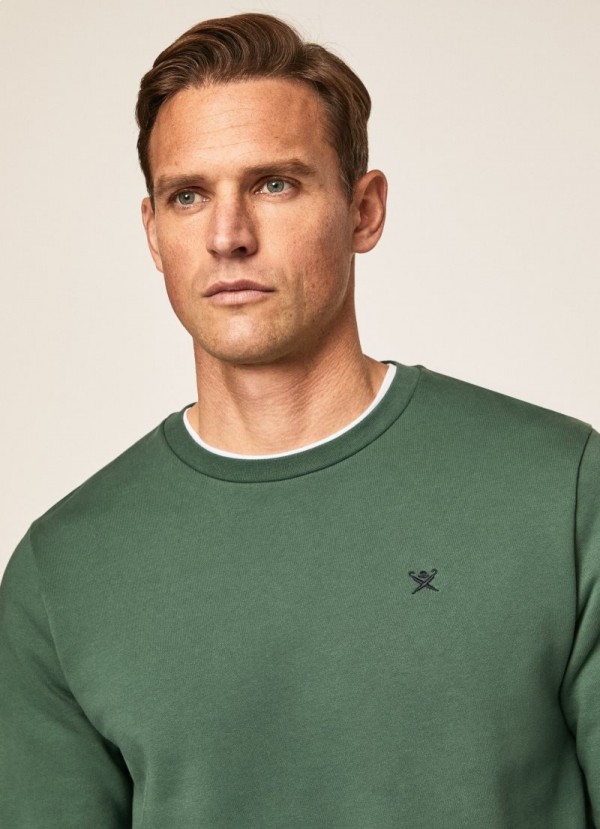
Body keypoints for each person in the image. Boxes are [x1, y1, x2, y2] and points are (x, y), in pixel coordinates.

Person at [0, 12, 598, 829]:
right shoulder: (61, 573)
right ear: (154, 234)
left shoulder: (559, 490)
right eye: (187, 195)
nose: (227, 236)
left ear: (364, 211)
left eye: (274, 184)